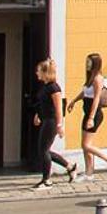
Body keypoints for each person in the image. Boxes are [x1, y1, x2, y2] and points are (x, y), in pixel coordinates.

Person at [31, 59, 75, 189]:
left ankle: (47, 180)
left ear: (46, 73)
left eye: (39, 71)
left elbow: (58, 108)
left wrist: (60, 125)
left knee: (43, 150)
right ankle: (69, 166)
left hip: (51, 121)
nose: (37, 73)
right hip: (45, 119)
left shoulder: (54, 88)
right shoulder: (45, 87)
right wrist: (38, 114)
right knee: (44, 150)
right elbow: (43, 104)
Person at [74, 53, 107, 175]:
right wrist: (74, 101)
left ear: (95, 64)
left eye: (89, 62)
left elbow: (96, 99)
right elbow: (85, 93)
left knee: (86, 145)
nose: (87, 65)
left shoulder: (98, 79)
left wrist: (91, 118)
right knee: (85, 145)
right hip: (87, 113)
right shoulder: (90, 78)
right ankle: (89, 173)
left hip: (94, 114)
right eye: (87, 62)